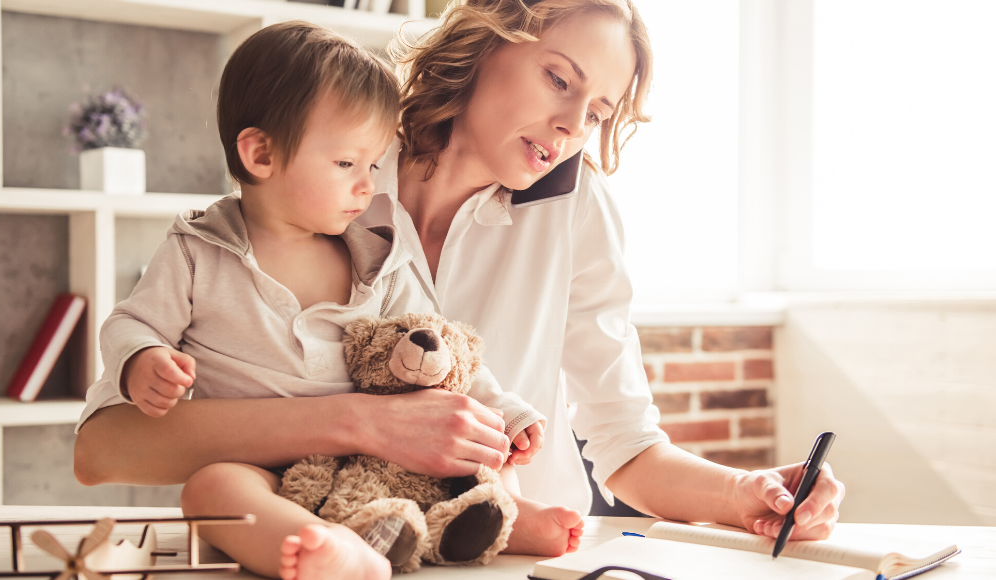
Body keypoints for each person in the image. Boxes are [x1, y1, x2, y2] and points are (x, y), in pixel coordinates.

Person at [75, 0, 845, 565]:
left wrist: (746, 495)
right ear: (490, 35)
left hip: (514, 556)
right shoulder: (331, 167)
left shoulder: (577, 210)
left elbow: (625, 444)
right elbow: (107, 448)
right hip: (334, 547)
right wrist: (361, 423)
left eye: (599, 110)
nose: (575, 124)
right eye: (559, 79)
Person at [79, 21, 552, 580]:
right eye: (346, 164)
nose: (367, 186)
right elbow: (131, 322)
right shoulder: (198, 251)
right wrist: (141, 360)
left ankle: (504, 517)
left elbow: (442, 348)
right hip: (256, 470)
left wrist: (508, 412)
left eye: (373, 166)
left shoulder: (379, 252)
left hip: (370, 472)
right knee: (210, 491)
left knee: (468, 438)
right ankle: (328, 549)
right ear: (260, 154)